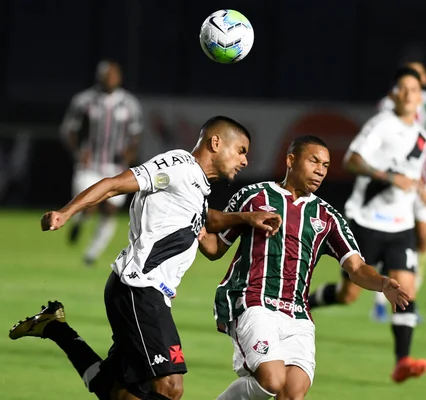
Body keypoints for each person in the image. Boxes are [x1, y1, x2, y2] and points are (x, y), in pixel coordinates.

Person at [9, 116, 283, 400]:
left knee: (119, 393)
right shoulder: (177, 166)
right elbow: (115, 184)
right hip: (138, 289)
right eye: (241, 150)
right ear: (216, 143)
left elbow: (207, 220)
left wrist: (247, 218)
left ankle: (55, 328)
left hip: (148, 293)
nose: (245, 161)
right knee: (170, 387)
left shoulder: (197, 187)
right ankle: (54, 328)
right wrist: (66, 212)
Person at [197, 135, 411, 399]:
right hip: (253, 301)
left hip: (297, 314)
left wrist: (381, 283)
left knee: (293, 392)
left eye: (326, 165)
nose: (320, 170)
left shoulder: (327, 217)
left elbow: (356, 267)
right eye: (314, 161)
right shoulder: (254, 196)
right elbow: (215, 248)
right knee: (271, 380)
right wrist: (193, 226)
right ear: (291, 160)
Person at [309, 66, 426, 383]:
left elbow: (410, 175)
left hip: (400, 225)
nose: (408, 94)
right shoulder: (381, 124)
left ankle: (402, 361)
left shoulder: (423, 136)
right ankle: (303, 301)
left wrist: (420, 191)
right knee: (349, 294)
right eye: (402, 88)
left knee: (405, 288)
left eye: (414, 89)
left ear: (421, 97)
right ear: (393, 94)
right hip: (365, 221)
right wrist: (390, 177)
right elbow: (352, 160)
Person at [371, 60, 426, 322]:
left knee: (423, 238)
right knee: (391, 236)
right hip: (397, 182)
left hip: (423, 181)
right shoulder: (387, 104)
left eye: (421, 73)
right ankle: (381, 299)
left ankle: (409, 294)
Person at [60, 60, 143, 266]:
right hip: (89, 165)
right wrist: (79, 153)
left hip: (114, 166)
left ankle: (91, 255)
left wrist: (129, 153)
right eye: (108, 75)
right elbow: (68, 130)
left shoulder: (129, 104)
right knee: (89, 207)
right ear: (99, 77)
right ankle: (79, 221)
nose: (111, 79)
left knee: (110, 210)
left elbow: (136, 135)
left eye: (115, 75)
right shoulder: (84, 101)